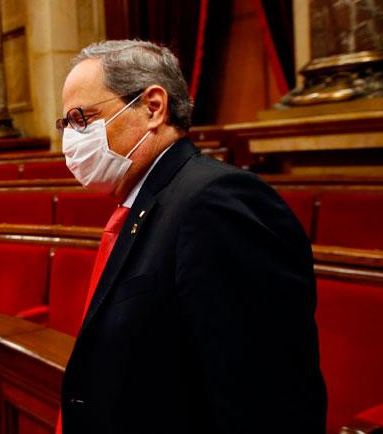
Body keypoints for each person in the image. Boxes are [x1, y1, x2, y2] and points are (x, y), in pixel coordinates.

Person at [57, 40, 325, 433]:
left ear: (153, 107)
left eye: (83, 119)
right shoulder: (146, 202)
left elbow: (264, 400)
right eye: (66, 124)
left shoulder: (215, 202)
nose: (71, 139)